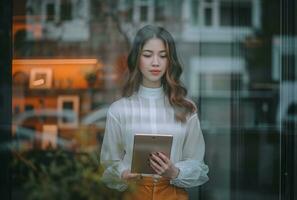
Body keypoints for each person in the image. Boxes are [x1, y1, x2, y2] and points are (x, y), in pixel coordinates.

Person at [100, 25, 209, 200]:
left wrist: (174, 171)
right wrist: (123, 173)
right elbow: (109, 163)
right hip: (134, 193)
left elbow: (197, 163)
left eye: (163, 56)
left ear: (169, 60)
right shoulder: (119, 109)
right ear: (137, 58)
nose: (156, 62)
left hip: (173, 193)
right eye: (148, 55)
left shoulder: (186, 108)